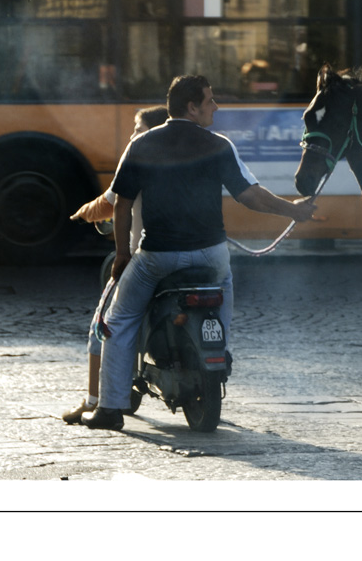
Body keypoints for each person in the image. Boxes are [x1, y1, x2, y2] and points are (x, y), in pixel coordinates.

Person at [81, 75, 317, 430]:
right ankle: (216, 353)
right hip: (210, 256)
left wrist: (121, 255)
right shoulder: (218, 145)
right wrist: (294, 210)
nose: (216, 107)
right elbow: (251, 196)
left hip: (157, 257)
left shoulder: (143, 144)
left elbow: (122, 205)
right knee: (222, 299)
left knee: (118, 320)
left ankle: (110, 409)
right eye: (210, 101)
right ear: (191, 107)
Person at [62, 105, 169, 424]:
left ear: (150, 130)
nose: (132, 133)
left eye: (137, 127)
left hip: (145, 258)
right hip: (193, 257)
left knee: (104, 326)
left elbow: (110, 204)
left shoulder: (138, 157)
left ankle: (96, 400)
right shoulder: (186, 158)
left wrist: (83, 212)